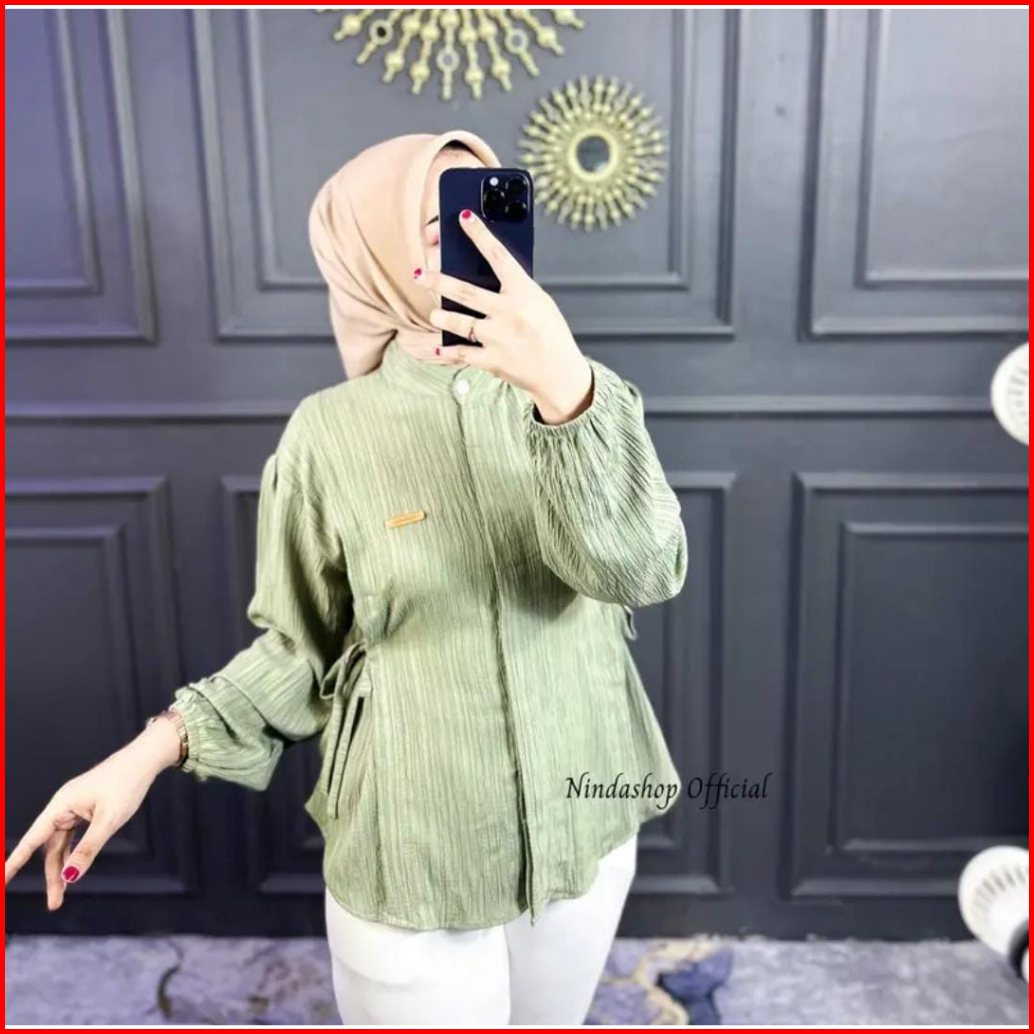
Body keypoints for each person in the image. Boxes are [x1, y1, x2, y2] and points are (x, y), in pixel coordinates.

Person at [4, 130, 689, 1026]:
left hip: (586, 825)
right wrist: (149, 751)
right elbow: (302, 650)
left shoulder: (589, 394)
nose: (468, 233)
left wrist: (563, 392)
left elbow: (641, 570)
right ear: (370, 253)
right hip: (414, 847)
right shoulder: (327, 435)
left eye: (481, 207)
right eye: (435, 220)